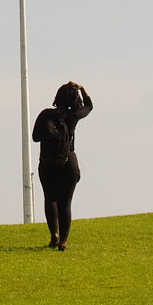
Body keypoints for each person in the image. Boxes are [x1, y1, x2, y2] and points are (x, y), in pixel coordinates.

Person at [32, 81, 93, 250]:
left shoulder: (45, 115)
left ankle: (54, 236)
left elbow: (35, 137)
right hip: (68, 162)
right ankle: (64, 242)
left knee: (50, 198)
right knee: (65, 203)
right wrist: (82, 89)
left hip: (47, 162)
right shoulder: (74, 116)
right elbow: (89, 106)